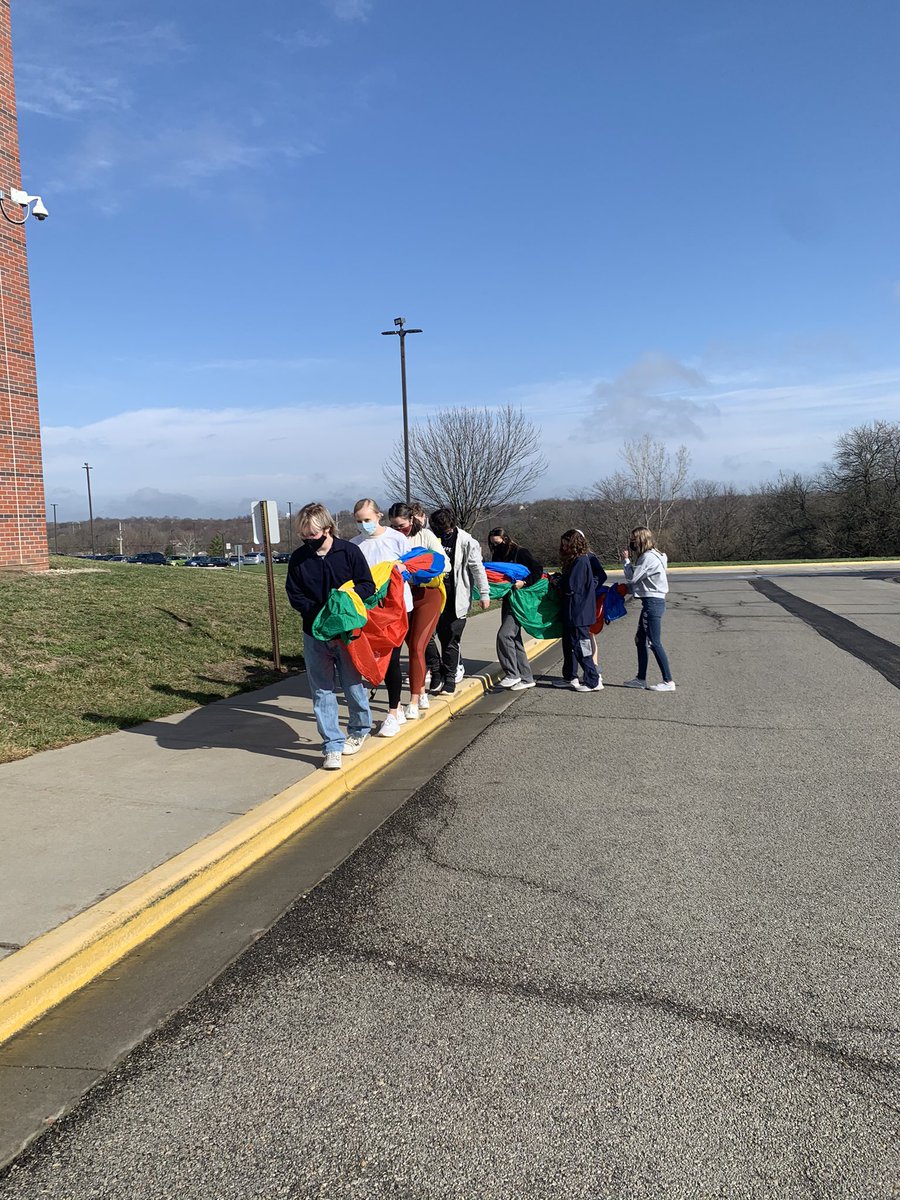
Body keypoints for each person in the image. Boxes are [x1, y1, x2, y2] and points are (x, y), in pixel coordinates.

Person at [285, 503, 375, 769]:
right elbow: (295, 594)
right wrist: (318, 614)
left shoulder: (349, 552)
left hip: (347, 633)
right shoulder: (299, 558)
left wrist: (346, 600)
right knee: (321, 690)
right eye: (303, 535)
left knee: (352, 685)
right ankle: (332, 745)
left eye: (312, 534)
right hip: (315, 632)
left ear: (327, 529)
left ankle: (359, 729)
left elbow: (368, 585)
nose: (308, 540)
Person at [351, 498, 414, 737]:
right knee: (372, 660)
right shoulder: (354, 545)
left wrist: (401, 572)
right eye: (359, 521)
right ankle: (389, 710)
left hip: (397, 608)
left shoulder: (397, 539)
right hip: (369, 611)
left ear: (378, 516)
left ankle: (393, 713)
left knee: (391, 660)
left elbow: (412, 568)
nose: (363, 525)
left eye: (367, 520)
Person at [388, 501, 445, 720]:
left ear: (412, 520)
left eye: (402, 526)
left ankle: (413, 699)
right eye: (394, 526)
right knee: (407, 644)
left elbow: (444, 564)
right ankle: (420, 690)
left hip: (426, 594)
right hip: (401, 596)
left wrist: (416, 569)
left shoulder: (426, 536)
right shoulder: (390, 539)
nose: (398, 530)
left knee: (417, 646)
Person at [426, 508, 490, 696]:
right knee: (426, 637)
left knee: (450, 641)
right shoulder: (429, 536)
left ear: (452, 526)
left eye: (445, 531)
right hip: (433, 596)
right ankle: (436, 670)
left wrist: (484, 594)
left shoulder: (467, 542)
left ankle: (450, 677)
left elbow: (477, 568)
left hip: (456, 598)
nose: (442, 534)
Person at [486, 526, 543, 691]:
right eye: (492, 543)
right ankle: (526, 677)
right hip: (508, 599)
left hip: (520, 600)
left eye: (497, 542)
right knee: (514, 639)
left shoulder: (520, 552)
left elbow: (537, 570)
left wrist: (524, 583)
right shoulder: (498, 554)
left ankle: (512, 674)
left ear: (505, 539)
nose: (495, 546)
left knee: (504, 635)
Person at [622, 526, 676, 691]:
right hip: (651, 603)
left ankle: (668, 681)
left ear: (640, 540)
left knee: (654, 642)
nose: (631, 542)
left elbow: (633, 577)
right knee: (640, 640)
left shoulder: (647, 557)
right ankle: (640, 679)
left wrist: (626, 561)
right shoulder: (656, 555)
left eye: (633, 539)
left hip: (652, 603)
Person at [553, 528, 606, 691]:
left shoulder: (581, 561)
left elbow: (572, 586)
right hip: (576, 611)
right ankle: (575, 676)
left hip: (578, 611)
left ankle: (593, 680)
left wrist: (558, 582)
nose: (564, 547)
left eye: (566, 544)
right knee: (574, 644)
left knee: (582, 646)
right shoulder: (579, 560)